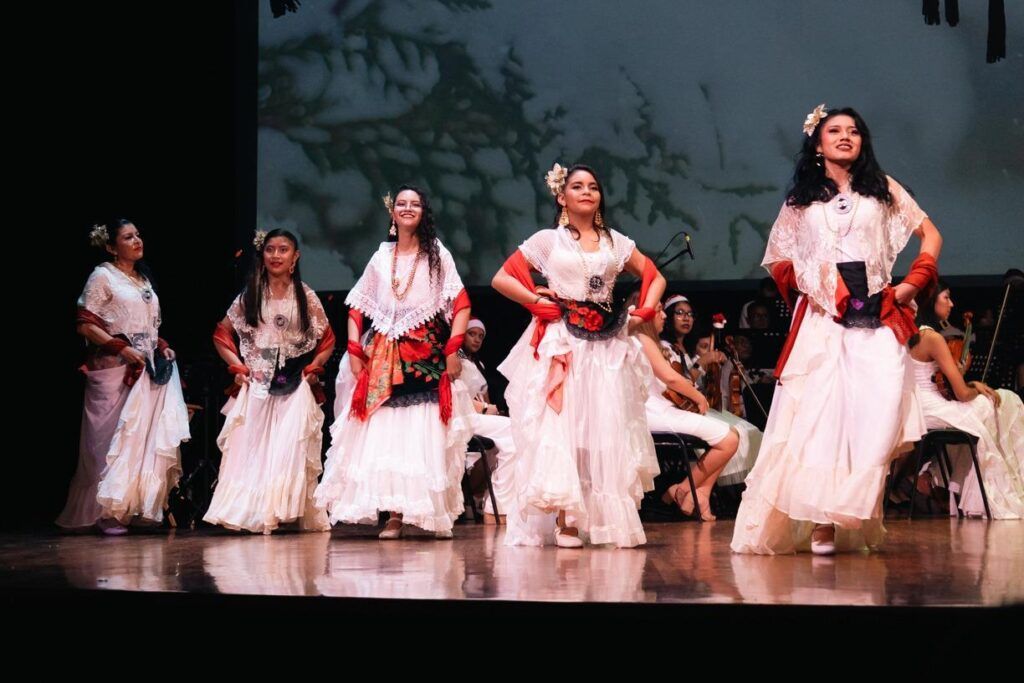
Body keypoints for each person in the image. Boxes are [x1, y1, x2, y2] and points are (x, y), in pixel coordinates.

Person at [731, 105, 942, 555]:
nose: (845, 137)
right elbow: (778, 259)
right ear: (818, 142)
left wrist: (912, 283)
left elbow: (931, 235)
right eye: (834, 130)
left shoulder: (883, 191)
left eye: (853, 131)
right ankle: (823, 520)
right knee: (822, 417)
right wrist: (819, 282)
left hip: (878, 314)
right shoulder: (801, 202)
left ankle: (851, 503)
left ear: (863, 141)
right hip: (824, 318)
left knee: (876, 415)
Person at [491, 162, 664, 548]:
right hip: (565, 342)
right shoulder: (548, 241)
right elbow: (502, 278)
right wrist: (535, 300)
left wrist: (645, 313)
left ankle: (606, 520)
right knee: (564, 427)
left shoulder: (615, 241)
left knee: (603, 428)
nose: (587, 191)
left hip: (606, 345)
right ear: (562, 196)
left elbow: (655, 275)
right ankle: (566, 518)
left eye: (593, 186)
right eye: (577, 186)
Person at [205, 228, 334, 534]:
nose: (276, 255)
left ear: (295, 257)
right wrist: (237, 366)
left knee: (288, 446)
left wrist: (315, 365)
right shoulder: (251, 294)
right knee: (250, 447)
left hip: (293, 383)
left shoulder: (306, 295)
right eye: (270, 250)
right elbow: (221, 333)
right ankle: (251, 511)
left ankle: (282, 510)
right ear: (262, 256)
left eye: (283, 250)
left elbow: (327, 339)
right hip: (258, 383)